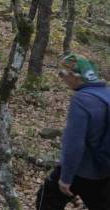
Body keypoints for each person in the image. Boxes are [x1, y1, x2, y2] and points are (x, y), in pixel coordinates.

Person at [35, 53, 110, 210]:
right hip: (105, 170)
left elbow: (74, 144)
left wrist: (66, 178)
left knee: (47, 198)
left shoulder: (81, 100)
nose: (62, 79)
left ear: (74, 75)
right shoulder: (107, 94)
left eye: (62, 74)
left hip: (82, 170)